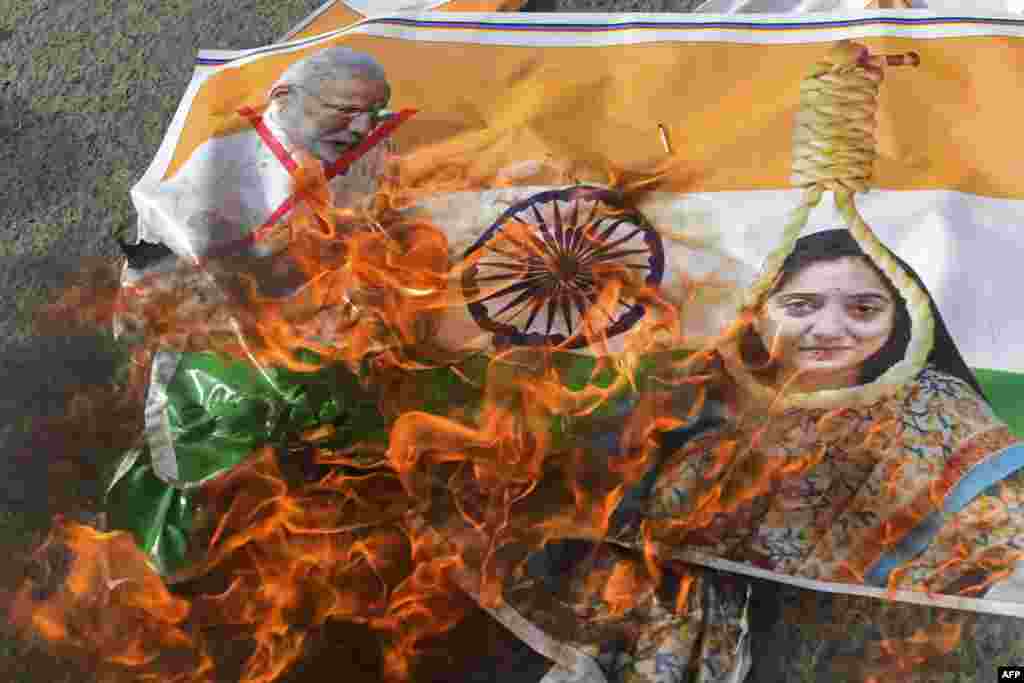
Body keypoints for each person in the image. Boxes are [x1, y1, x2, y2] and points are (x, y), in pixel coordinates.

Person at [446, 228, 1024, 683]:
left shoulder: (939, 408)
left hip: (856, 653)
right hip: (671, 646)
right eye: (801, 305)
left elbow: (1001, 542)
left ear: (901, 321)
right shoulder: (701, 399)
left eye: (864, 309)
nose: (830, 328)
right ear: (762, 312)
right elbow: (601, 518)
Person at [127, 45, 396, 269]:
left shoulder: (370, 157)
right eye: (347, 110)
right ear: (283, 98)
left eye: (375, 115)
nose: (363, 129)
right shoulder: (223, 161)